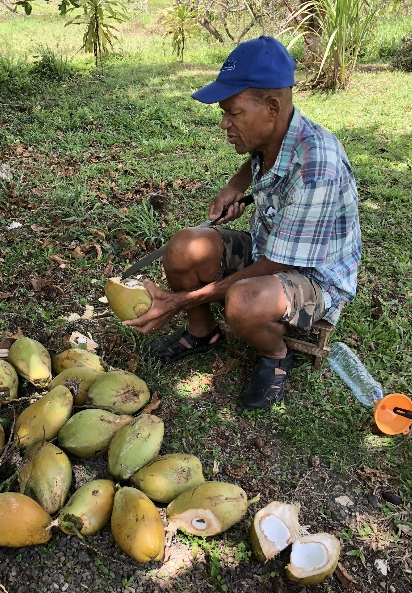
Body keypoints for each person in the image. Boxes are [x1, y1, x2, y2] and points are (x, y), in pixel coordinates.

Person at [124, 36, 361, 410]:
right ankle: (202, 332)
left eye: (233, 113)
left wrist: (180, 300)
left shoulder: (318, 166)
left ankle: (276, 354)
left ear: (271, 106)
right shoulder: (273, 133)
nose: (224, 123)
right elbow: (258, 157)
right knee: (185, 246)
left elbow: (277, 265)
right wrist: (235, 187)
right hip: (268, 247)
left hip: (314, 276)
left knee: (244, 300)